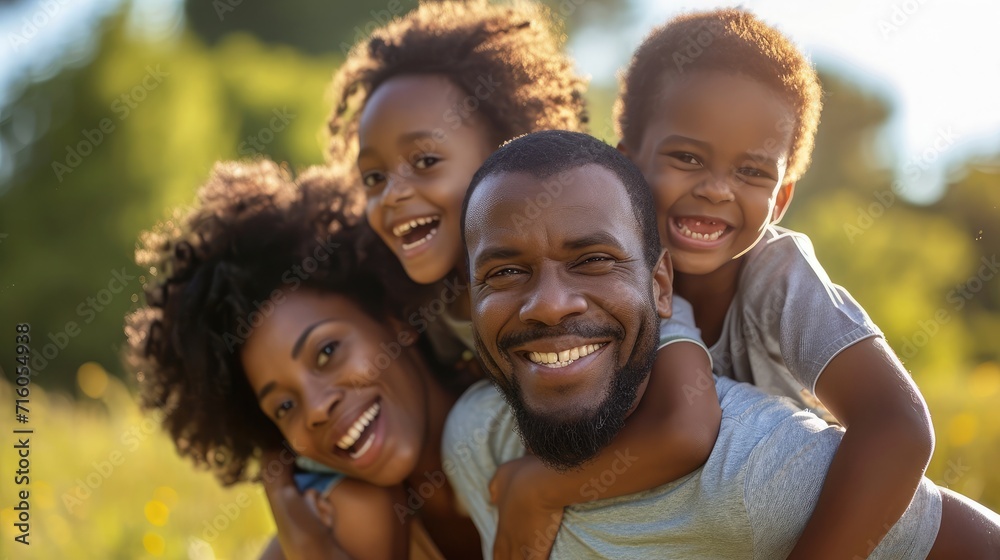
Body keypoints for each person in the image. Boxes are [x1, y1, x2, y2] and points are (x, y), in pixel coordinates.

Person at [450, 129, 1000, 559]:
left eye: (593, 261)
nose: (549, 303)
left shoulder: (754, 473)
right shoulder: (472, 440)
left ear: (661, 285)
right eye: (504, 271)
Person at [327, 2, 722, 556]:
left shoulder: (612, 284)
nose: (392, 193)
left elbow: (685, 425)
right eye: (373, 176)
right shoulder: (425, 312)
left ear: (505, 159)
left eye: (424, 161)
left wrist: (537, 490)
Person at [612, 8, 956, 557]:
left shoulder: (777, 275)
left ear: (782, 199)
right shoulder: (608, 270)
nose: (717, 189)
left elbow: (898, 426)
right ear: (625, 165)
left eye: (752, 172)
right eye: (686, 157)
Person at [125, 160, 480, 559]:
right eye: (285, 406)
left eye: (327, 352)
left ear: (394, 317)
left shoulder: (531, 424)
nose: (315, 408)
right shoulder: (326, 528)